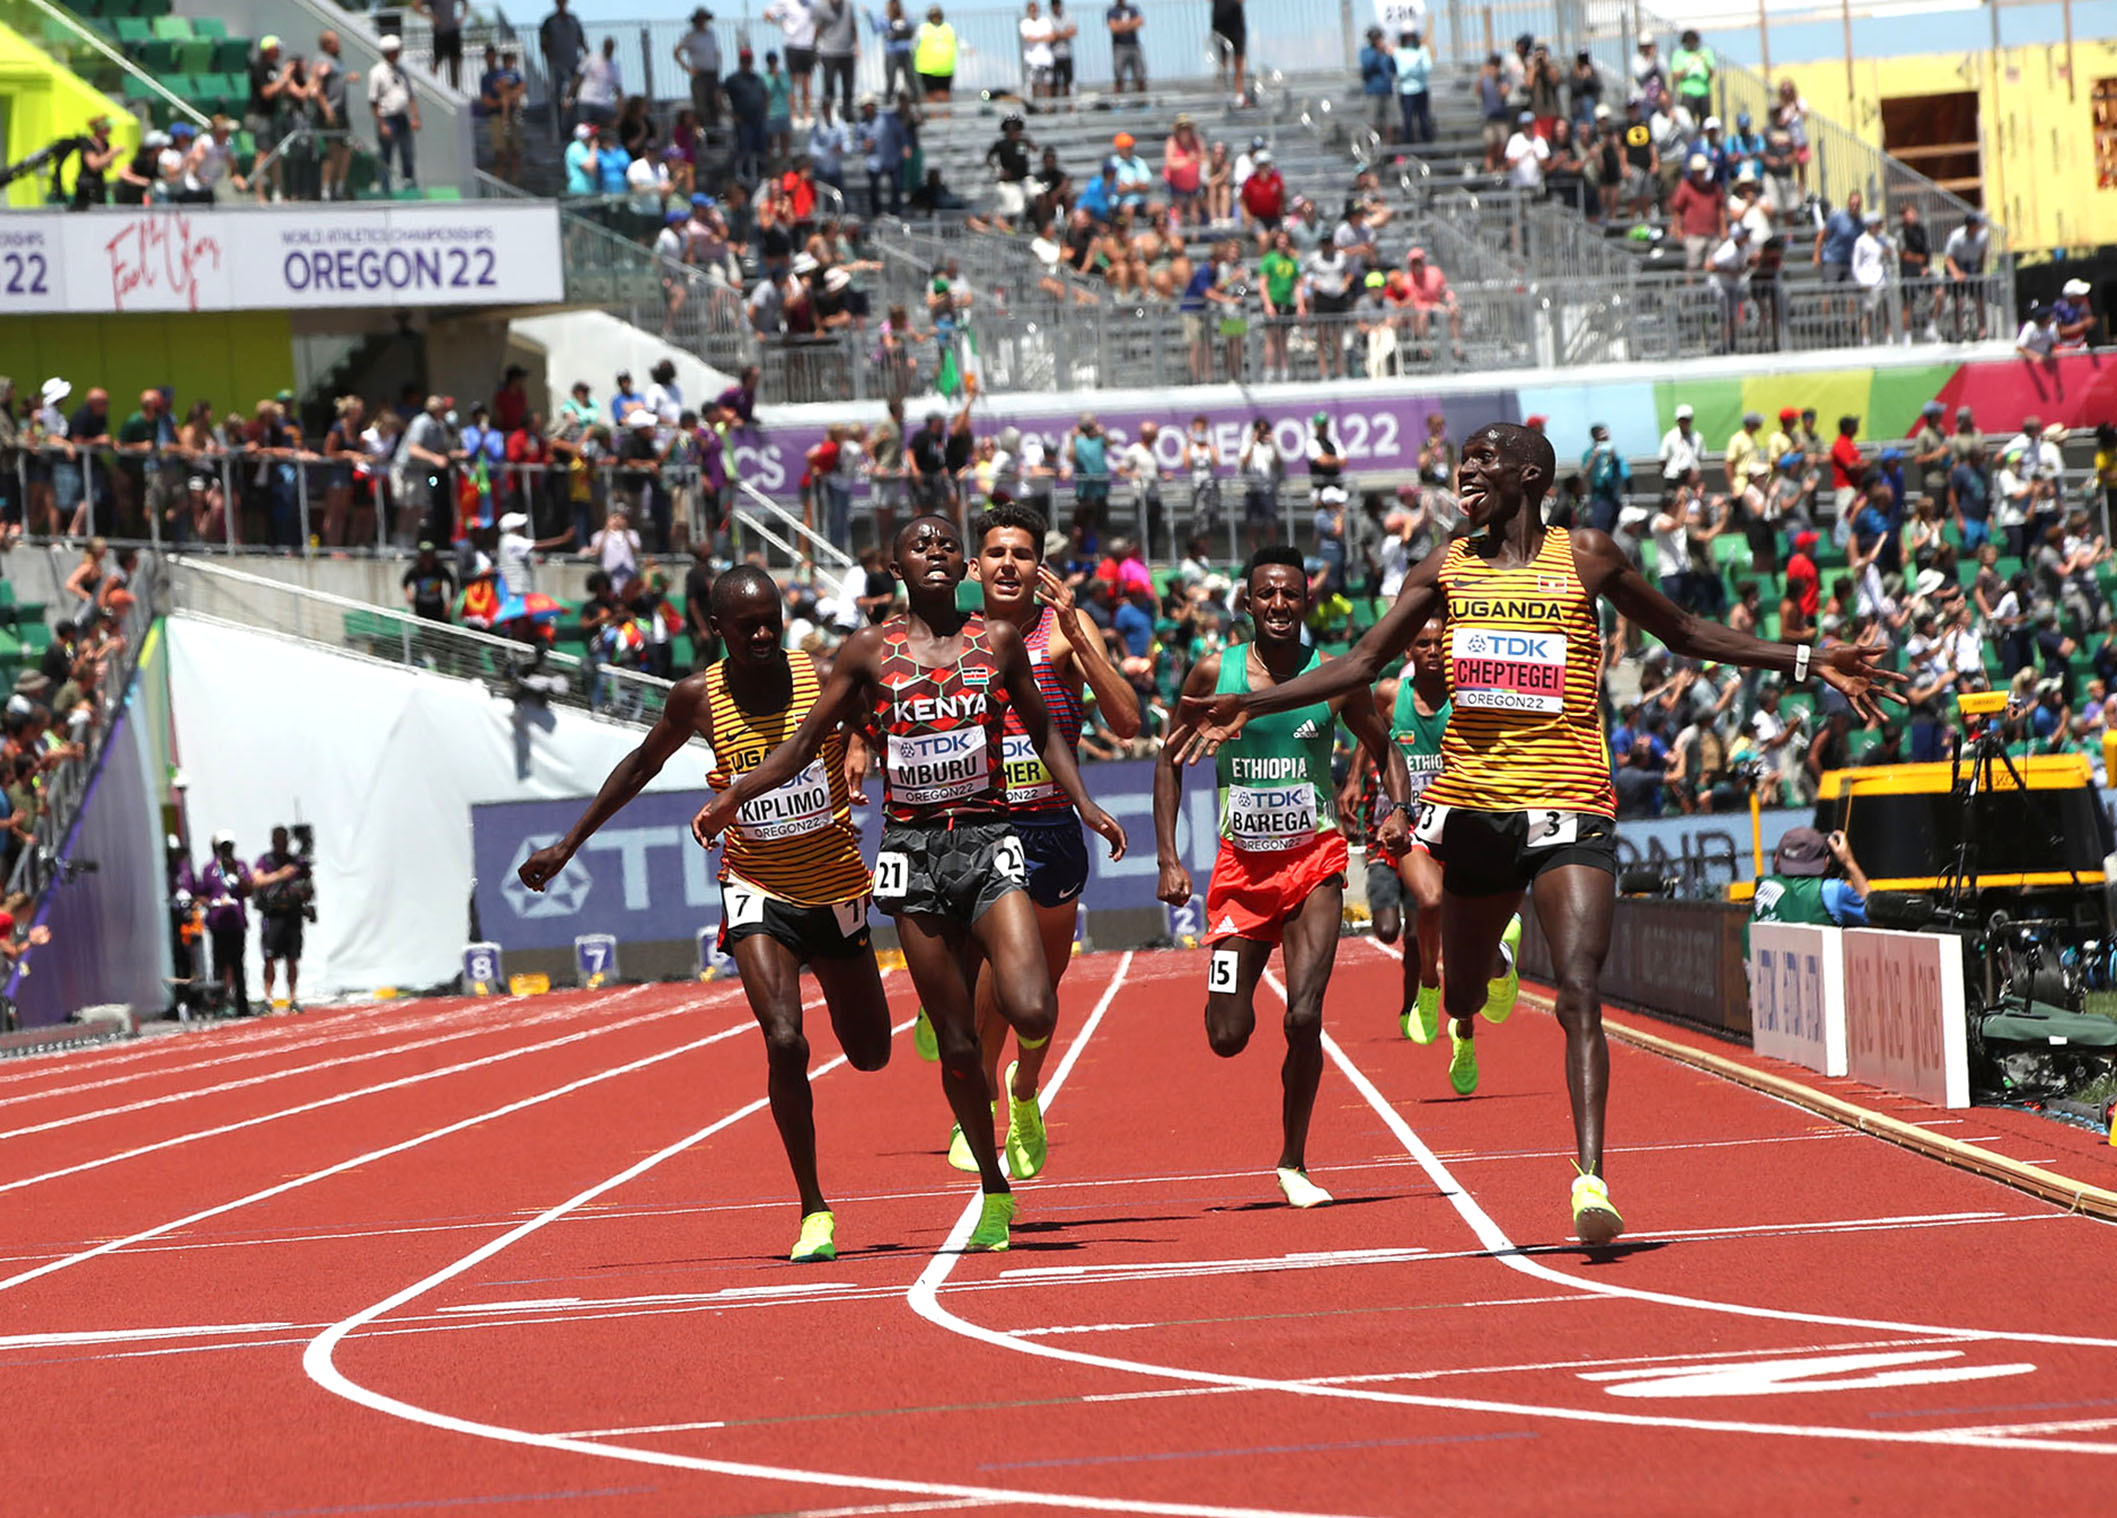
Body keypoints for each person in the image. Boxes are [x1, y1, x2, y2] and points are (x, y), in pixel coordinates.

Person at [1174, 422, 1899, 1244]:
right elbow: (1361, 662)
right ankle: (1478, 983)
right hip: (1475, 813)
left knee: (1580, 990)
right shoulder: (1444, 567)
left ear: (1529, 475)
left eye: (1483, 460)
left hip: (1571, 804)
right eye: (1463, 461)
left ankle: (1590, 1179)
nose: (1466, 470)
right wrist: (1251, 701)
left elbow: (1685, 633)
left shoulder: (1586, 555)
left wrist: (1807, 661)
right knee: (1462, 992)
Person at [692, 517, 1126, 1252]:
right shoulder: (868, 650)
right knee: (957, 1048)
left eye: (944, 543)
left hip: (988, 839)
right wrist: (734, 795)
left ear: (961, 563)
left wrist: (1085, 803)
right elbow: (804, 742)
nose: (933, 552)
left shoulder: (997, 641)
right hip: (911, 853)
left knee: (1033, 1006)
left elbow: (1044, 727)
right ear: (895, 567)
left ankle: (997, 1039)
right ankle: (994, 1190)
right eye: (918, 545)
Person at [522, 566, 890, 1262]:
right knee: (785, 1041)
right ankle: (814, 1208)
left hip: (836, 886)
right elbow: (641, 764)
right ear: (715, 629)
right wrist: (568, 845)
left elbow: (882, 717)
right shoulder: (697, 697)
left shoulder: (821, 676)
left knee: (871, 1055)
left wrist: (862, 742)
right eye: (746, 626)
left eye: (770, 620)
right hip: (756, 886)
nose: (762, 633)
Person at [1155, 545, 1408, 1209]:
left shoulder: (1334, 676)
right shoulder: (1214, 671)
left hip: (1313, 862)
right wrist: (1169, 856)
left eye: (1290, 593)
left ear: (1305, 601)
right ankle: (1228, 998)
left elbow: (1385, 748)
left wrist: (1397, 809)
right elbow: (1168, 760)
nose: (1277, 604)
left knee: (1303, 1016)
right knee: (1226, 1035)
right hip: (1240, 873)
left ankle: (1293, 1161)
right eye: (1266, 593)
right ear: (1246, 601)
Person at [914, 504, 1142, 1176]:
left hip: (1050, 829)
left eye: (1021, 554)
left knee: (1036, 999)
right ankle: (979, 1099)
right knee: (987, 980)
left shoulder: (1064, 630)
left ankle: (1025, 1088)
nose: (1008, 564)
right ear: (973, 567)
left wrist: (1077, 634)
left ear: (1039, 565)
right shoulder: (953, 635)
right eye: (996, 553)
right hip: (977, 827)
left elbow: (1127, 722)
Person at [1340, 617, 1449, 1045]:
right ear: (1408, 651)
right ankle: (1417, 992)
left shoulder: (1461, 698)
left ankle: (1413, 1005)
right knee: (1387, 929)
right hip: (1391, 835)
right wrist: (1354, 778)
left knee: (1417, 933)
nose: (1433, 651)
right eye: (1423, 643)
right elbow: (1367, 733)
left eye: (1439, 642)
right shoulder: (1389, 694)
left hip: (1437, 837)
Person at [1749, 826, 1868, 934]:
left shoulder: (1763, 891)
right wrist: (1848, 862)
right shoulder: (1831, 892)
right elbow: (1874, 914)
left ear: (1777, 859)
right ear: (1826, 861)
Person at [253, 826, 312, 1012]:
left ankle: (293, 997)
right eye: (278, 840)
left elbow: (308, 886)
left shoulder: (296, 862)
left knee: (292, 958)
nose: (282, 844)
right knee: (270, 957)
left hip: (292, 914)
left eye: (284, 840)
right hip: (273, 914)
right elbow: (257, 880)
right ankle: (267, 997)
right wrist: (280, 875)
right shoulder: (265, 860)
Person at [198, 831, 254, 1018]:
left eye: (229, 846)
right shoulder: (209, 869)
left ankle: (241, 1004)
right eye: (223, 847)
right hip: (218, 923)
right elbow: (201, 894)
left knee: (238, 965)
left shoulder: (241, 865)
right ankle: (220, 1004)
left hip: (236, 922)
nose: (227, 850)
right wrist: (210, 903)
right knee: (219, 965)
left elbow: (249, 890)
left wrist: (237, 874)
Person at [368, 35, 419, 194]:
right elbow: (373, 100)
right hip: (387, 117)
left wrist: (414, 117)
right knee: (386, 154)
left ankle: (409, 184)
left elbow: (410, 95)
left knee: (407, 152)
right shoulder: (377, 72)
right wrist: (382, 124)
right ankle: (385, 188)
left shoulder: (402, 71)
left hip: (402, 117)